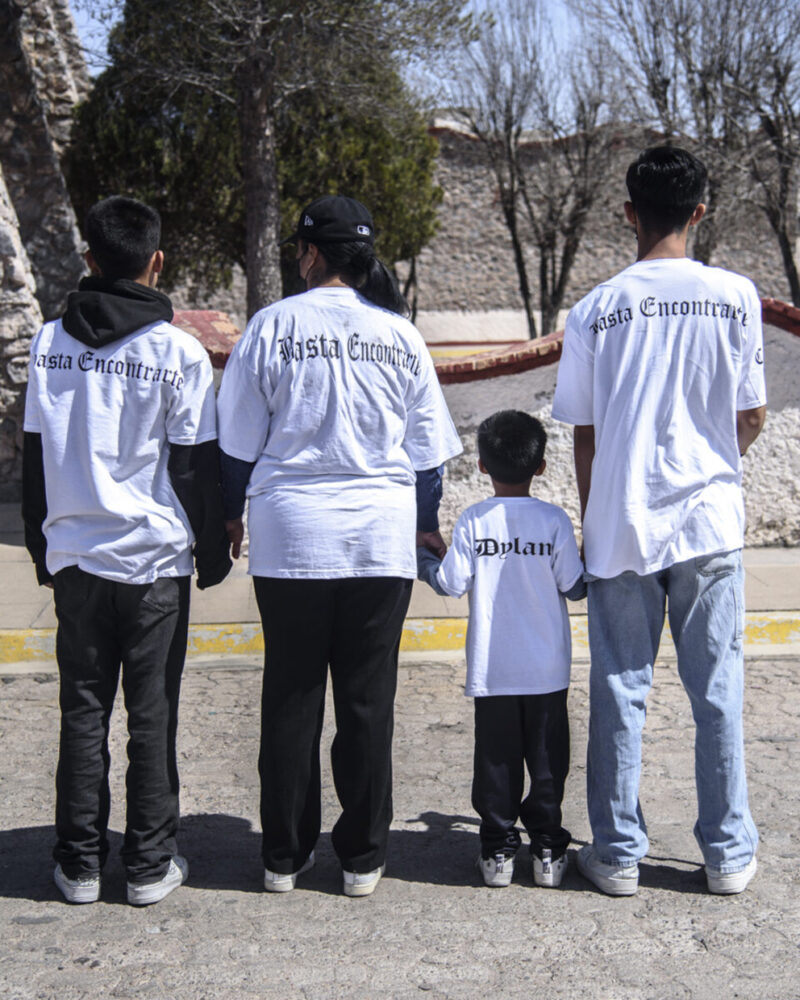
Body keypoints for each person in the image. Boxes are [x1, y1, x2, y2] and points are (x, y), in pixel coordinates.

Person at [216, 195, 462, 897]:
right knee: (367, 702)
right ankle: (362, 857)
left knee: (290, 697)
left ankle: (283, 857)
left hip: (291, 538)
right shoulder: (401, 336)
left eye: (299, 250)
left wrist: (230, 516)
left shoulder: (271, 326)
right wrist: (425, 523)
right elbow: (427, 457)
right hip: (380, 540)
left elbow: (236, 444)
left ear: (312, 254)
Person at [552, 146, 767, 896]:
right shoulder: (736, 295)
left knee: (620, 688)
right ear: (700, 211)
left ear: (628, 213)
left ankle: (616, 854)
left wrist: (593, 518)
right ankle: (728, 854)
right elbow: (752, 415)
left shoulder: (596, 308)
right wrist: (708, 463)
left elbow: (583, 433)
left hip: (623, 522)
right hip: (709, 520)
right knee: (718, 690)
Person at [22, 196, 231, 906]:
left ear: (90, 258)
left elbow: (35, 460)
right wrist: (212, 555)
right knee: (152, 716)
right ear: (157, 262)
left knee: (82, 712)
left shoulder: (48, 344)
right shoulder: (178, 353)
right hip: (153, 565)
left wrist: (43, 552)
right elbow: (194, 468)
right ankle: (148, 864)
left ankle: (79, 864)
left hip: (77, 560)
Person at [417, 410, 585, 889]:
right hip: (547, 671)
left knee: (496, 763)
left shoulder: (474, 520)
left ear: (483, 466)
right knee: (548, 764)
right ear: (541, 466)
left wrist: (425, 560)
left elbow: (451, 583)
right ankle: (548, 851)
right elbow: (574, 587)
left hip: (493, 670)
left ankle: (497, 852)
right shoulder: (554, 520)